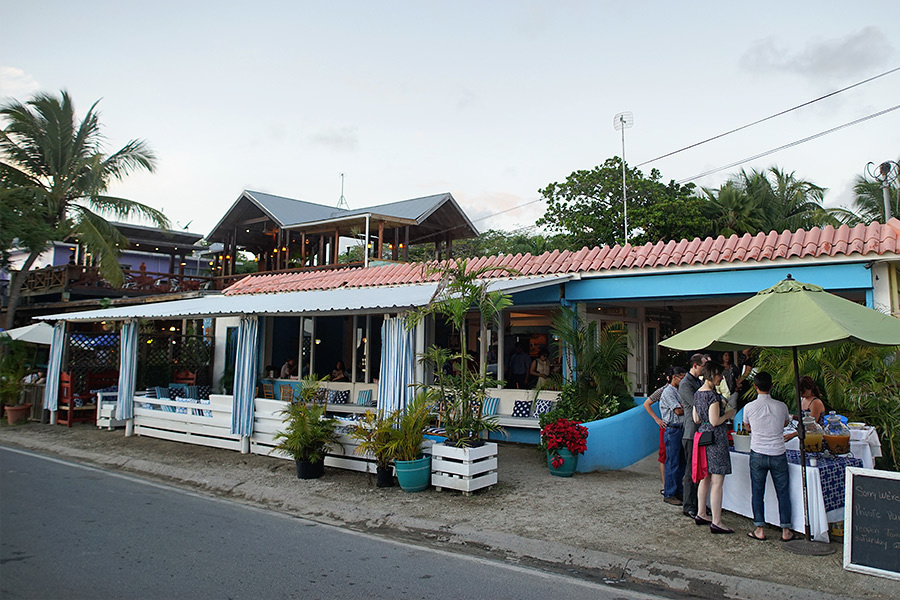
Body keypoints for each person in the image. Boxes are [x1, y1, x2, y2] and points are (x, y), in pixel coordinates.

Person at [743, 371, 794, 542]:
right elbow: (786, 422)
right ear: (772, 386)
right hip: (778, 452)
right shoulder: (782, 406)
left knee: (757, 492)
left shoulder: (749, 407)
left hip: (757, 452)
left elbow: (747, 427)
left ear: (755, 387)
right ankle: (786, 530)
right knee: (783, 492)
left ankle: (759, 528)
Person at [692, 361, 737, 534]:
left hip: (702, 437)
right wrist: (728, 414)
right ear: (713, 375)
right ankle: (717, 521)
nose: (721, 378)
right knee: (717, 481)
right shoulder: (713, 396)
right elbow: (715, 421)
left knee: (705, 477)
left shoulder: (697, 394)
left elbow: (696, 418)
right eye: (720, 375)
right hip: (716, 438)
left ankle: (701, 512)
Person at [678, 353, 706, 519]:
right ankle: (688, 504)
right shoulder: (686, 384)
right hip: (690, 431)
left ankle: (698, 504)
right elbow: (697, 403)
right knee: (690, 469)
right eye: (703, 365)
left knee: (699, 469)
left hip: (699, 429)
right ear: (695, 365)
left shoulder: (698, 382)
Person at [660, 366, 687, 505]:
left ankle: (678, 491)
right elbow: (678, 410)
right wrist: (683, 407)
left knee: (681, 462)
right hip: (673, 429)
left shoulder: (679, 391)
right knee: (672, 462)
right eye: (681, 378)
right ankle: (670, 493)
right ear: (674, 377)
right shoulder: (668, 392)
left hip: (681, 428)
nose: (683, 381)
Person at [642, 373, 672, 495]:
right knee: (663, 456)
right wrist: (656, 419)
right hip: (666, 426)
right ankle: (665, 485)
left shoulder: (682, 390)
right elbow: (647, 403)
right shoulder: (663, 390)